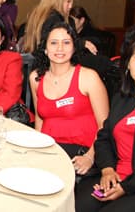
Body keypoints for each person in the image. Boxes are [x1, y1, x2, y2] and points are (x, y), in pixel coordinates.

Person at [75, 28, 135, 212]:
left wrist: (127, 186)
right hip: (115, 176)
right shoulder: (122, 97)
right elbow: (104, 138)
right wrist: (108, 170)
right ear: (128, 63)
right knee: (79, 206)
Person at [29, 22, 109, 176]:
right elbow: (40, 119)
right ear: (45, 48)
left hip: (82, 153)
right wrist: (36, 150)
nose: (60, 48)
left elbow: (105, 126)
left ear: (74, 48)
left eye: (66, 43)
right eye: (53, 43)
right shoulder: (36, 78)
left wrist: (90, 157)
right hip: (49, 150)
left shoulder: (88, 77)